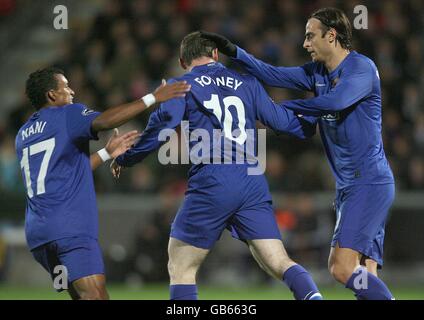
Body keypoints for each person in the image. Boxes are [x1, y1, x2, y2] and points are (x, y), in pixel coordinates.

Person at [201, 7, 396, 300]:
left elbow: (335, 102)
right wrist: (235, 53)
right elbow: (273, 74)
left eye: (310, 36)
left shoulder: (361, 69)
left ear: (331, 36)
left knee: (341, 269)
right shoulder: (318, 72)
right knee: (363, 271)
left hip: (368, 182)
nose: (305, 44)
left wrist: (286, 109)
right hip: (350, 185)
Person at [111, 31, 323, 300]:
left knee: (181, 266)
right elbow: (282, 122)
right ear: (214, 54)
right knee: (279, 262)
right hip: (251, 178)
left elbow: (163, 127)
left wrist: (127, 158)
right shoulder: (247, 81)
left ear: (182, 60)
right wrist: (321, 119)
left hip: (214, 176)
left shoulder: (182, 84)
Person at [15, 67, 190, 300]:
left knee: (81, 296)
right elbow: (104, 121)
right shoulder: (67, 114)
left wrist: (106, 154)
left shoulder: (24, 133)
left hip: (39, 234)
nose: (72, 90)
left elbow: (66, 174)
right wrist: (153, 97)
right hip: (70, 228)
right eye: (65, 86)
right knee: (96, 297)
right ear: (51, 95)